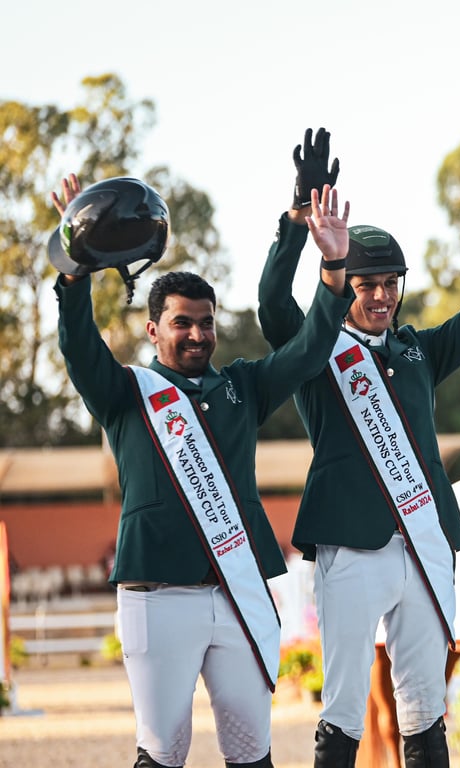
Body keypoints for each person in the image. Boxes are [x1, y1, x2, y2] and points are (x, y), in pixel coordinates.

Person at [51, 173, 353, 768]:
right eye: (182, 323)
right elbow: (79, 344)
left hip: (237, 589)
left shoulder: (244, 386)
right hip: (157, 595)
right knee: (163, 752)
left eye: (206, 322)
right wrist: (75, 267)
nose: (197, 334)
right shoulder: (125, 393)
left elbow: (310, 348)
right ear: (153, 329)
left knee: (251, 751)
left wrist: (331, 263)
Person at [257, 128, 460, 768]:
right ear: (344, 284)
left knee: (425, 708)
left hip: (424, 540)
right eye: (365, 284)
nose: (380, 296)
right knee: (346, 707)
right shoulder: (315, 350)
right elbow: (271, 305)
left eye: (390, 283)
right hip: (351, 545)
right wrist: (297, 217)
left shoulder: (418, 351)